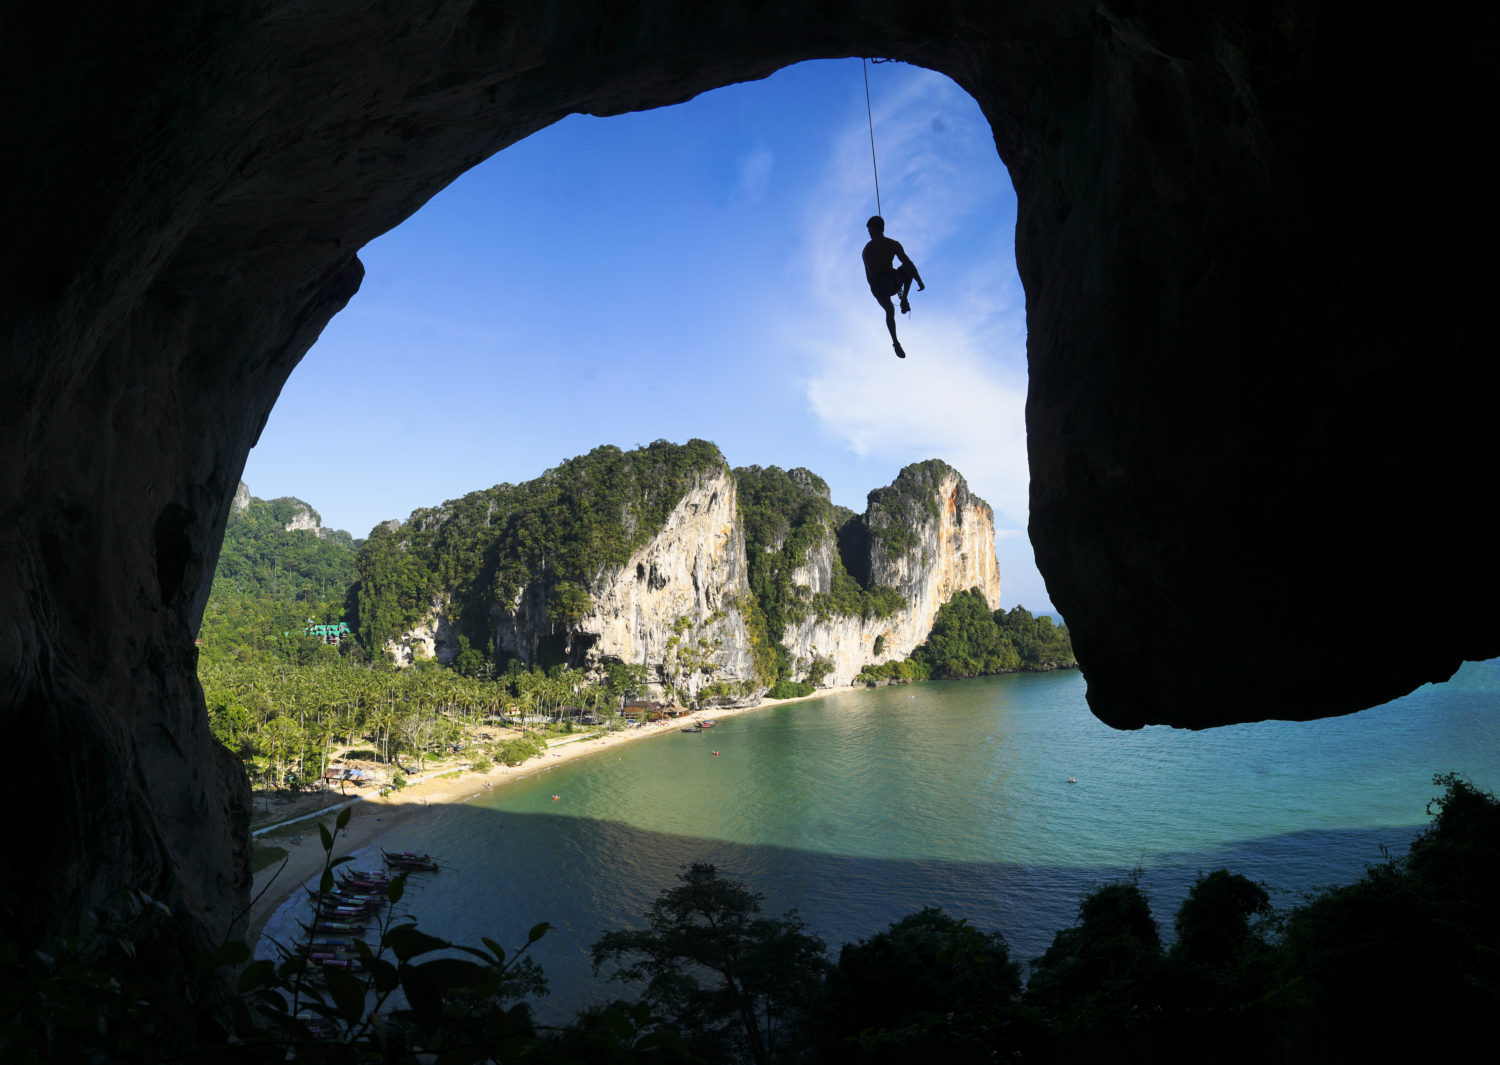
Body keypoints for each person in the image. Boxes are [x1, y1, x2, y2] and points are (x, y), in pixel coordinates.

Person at [861, 215, 925, 358]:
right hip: (891, 282)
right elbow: (908, 264)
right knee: (906, 269)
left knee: (889, 311)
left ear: (871, 230)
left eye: (869, 231)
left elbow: (869, 277)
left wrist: (880, 292)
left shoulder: (866, 250)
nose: (869, 234)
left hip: (879, 288)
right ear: (883, 228)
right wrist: (919, 280)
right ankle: (904, 299)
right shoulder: (892, 244)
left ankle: (895, 342)